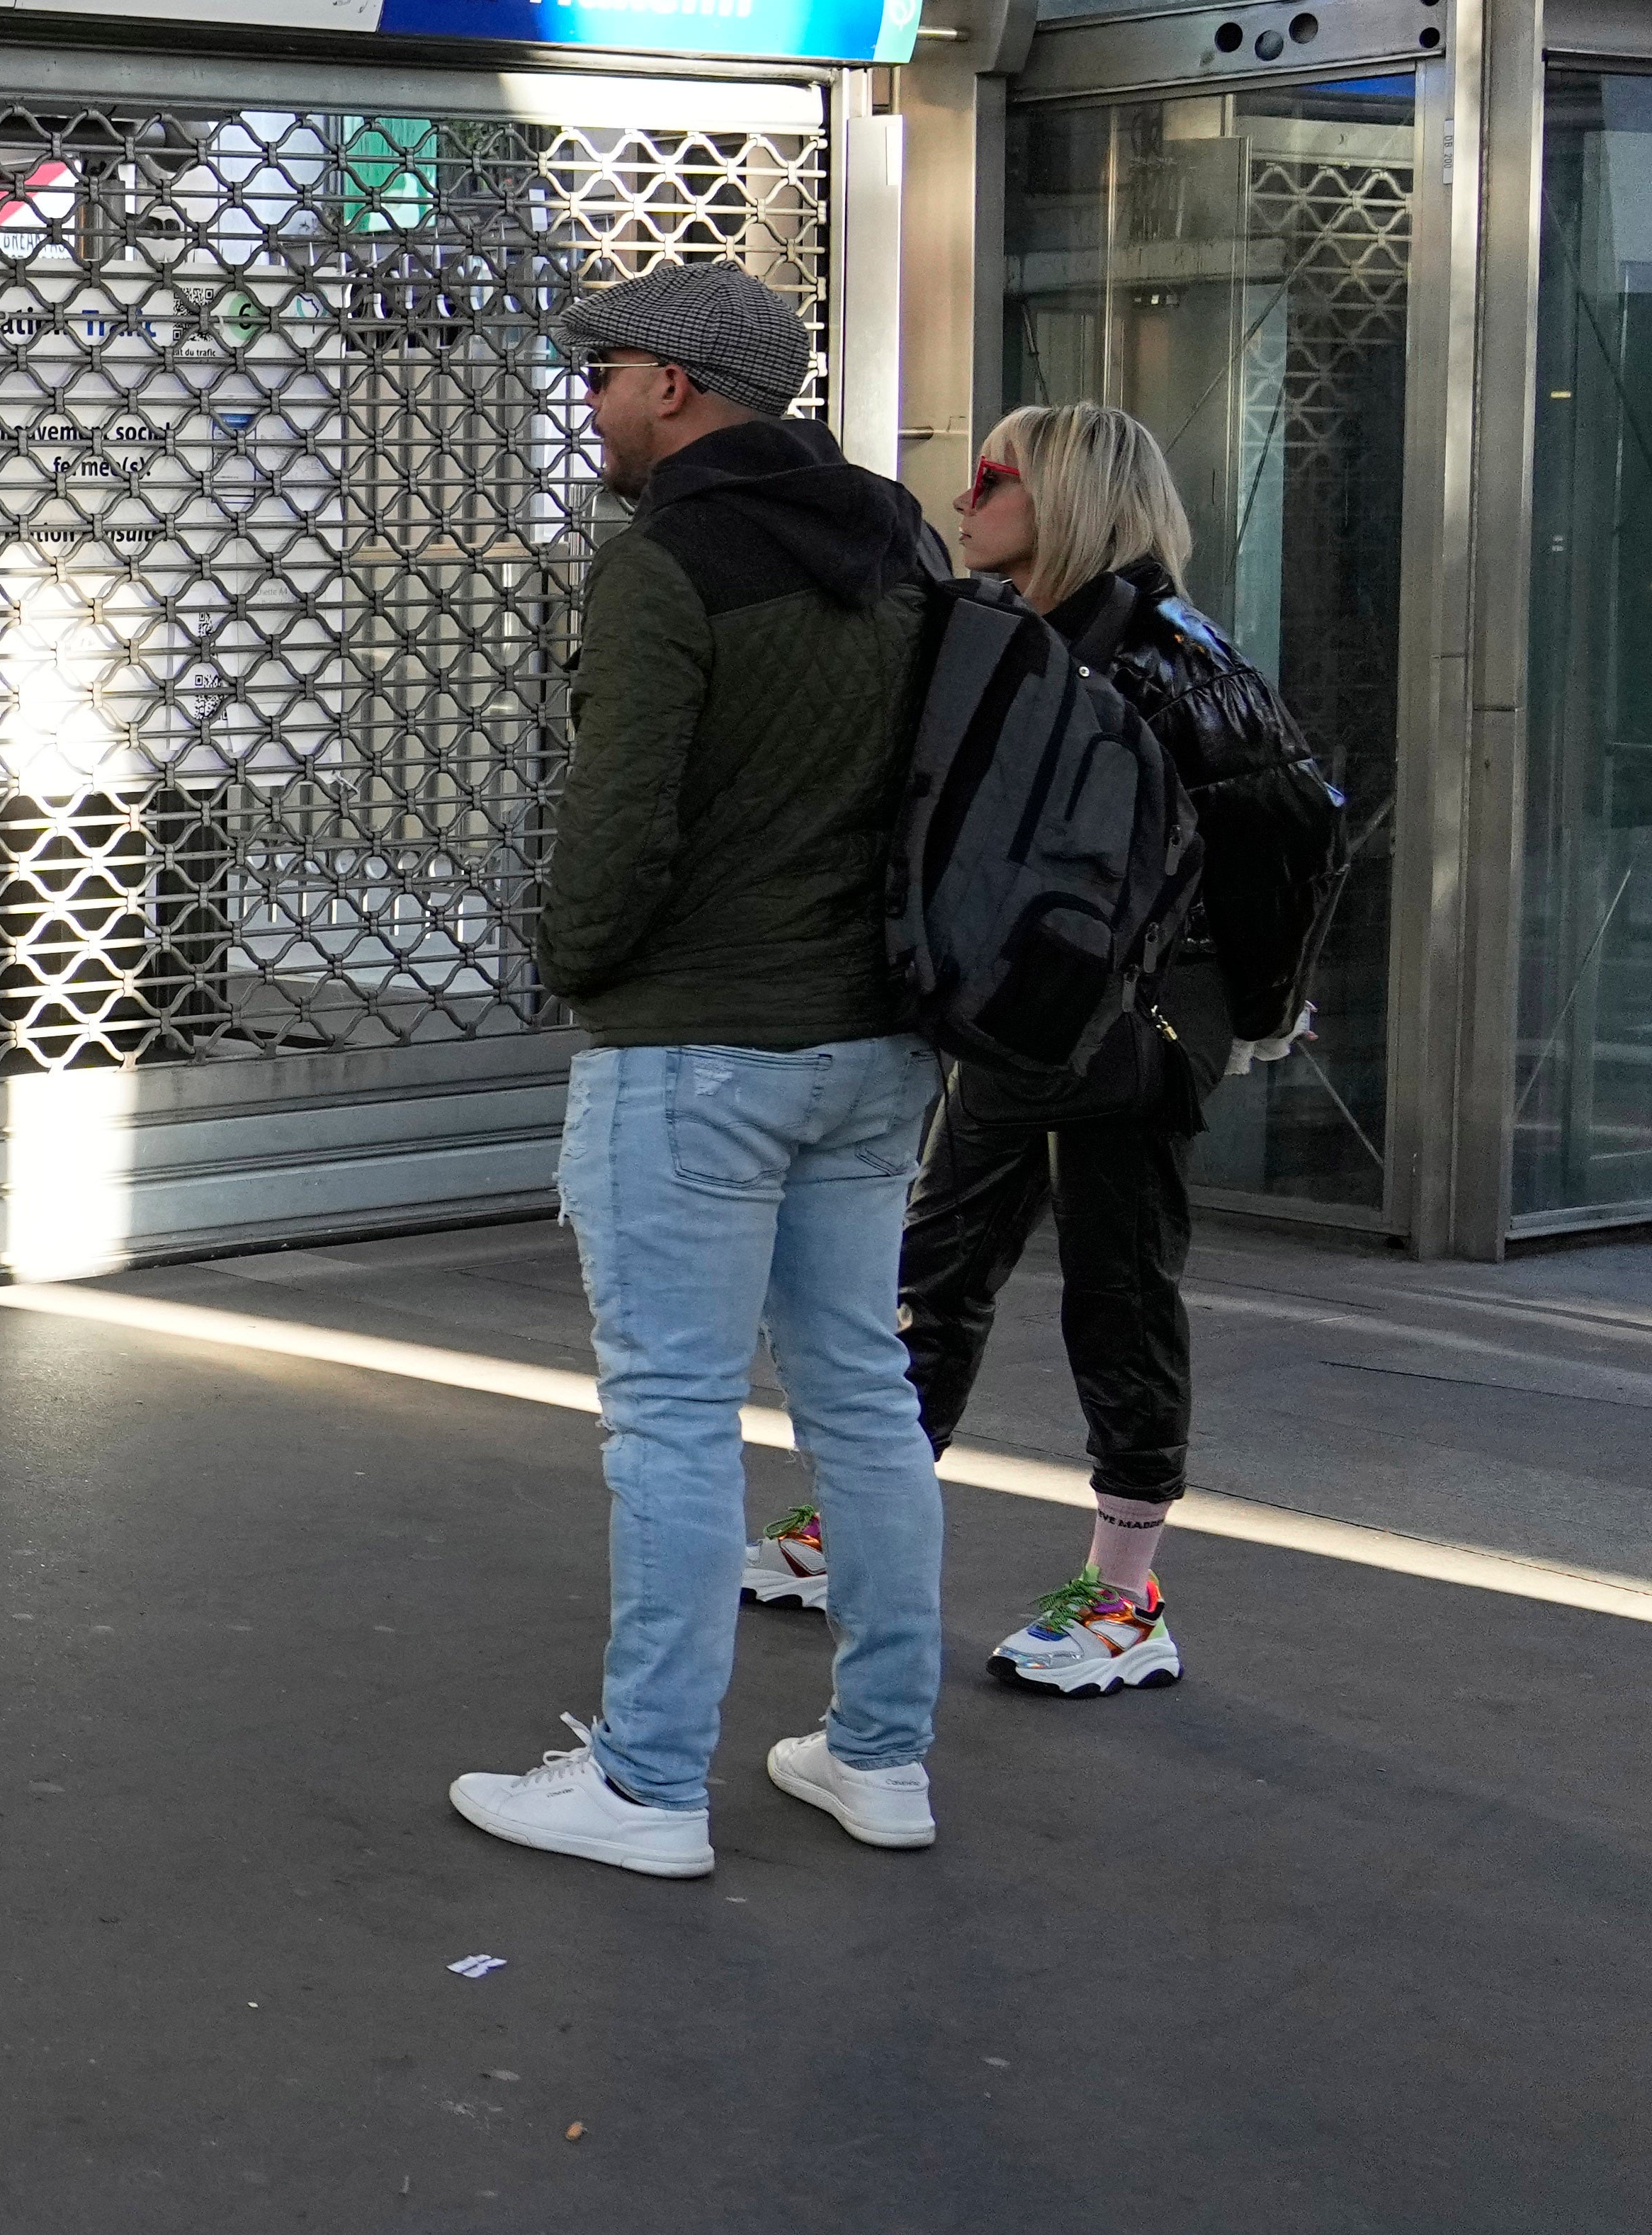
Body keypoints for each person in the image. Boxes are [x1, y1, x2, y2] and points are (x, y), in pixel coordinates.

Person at [452, 262, 954, 1879]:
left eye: (603, 371)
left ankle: (651, 1785)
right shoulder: (900, 540)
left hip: (695, 1048)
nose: (589, 401)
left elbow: (620, 809)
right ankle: (881, 1760)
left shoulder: (664, 561)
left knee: (672, 1418)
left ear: (676, 384)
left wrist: (576, 959)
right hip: (878, 1044)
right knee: (865, 1399)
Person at [802, 402, 1337, 1695]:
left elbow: (1294, 830)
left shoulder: (1166, 653)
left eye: (997, 475)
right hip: (1034, 1014)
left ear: (1071, 500)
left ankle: (1126, 1588)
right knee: (944, 1256)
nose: (968, 492)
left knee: (1117, 1283)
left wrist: (1256, 1007)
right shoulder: (1026, 638)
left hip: (1132, 1023)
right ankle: (868, 1517)